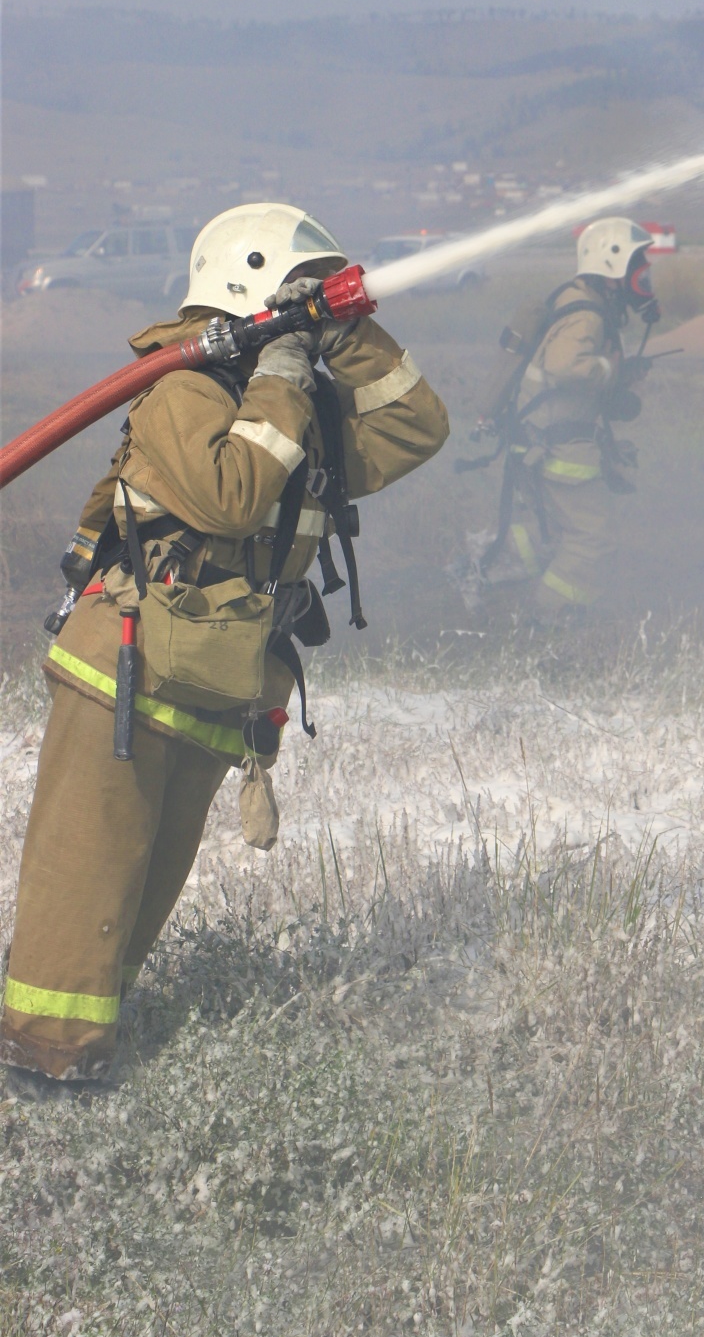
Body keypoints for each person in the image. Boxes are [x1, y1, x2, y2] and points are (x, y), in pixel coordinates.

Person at [1, 203, 449, 1084]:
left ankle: (92, 1054)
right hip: (124, 674)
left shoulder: (287, 408)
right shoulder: (186, 390)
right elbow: (235, 495)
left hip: (217, 679)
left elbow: (414, 428)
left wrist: (342, 326)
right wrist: (282, 367)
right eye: (296, 286)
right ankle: (39, 1075)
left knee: (141, 894)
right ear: (247, 285)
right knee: (83, 890)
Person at [466, 218, 659, 617]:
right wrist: (611, 370)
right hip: (560, 448)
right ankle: (547, 621)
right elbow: (566, 365)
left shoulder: (574, 298)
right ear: (612, 264)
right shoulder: (588, 314)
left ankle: (474, 579)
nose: (644, 276)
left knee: (549, 535)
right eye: (638, 265)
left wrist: (617, 376)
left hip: (540, 440)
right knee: (592, 540)